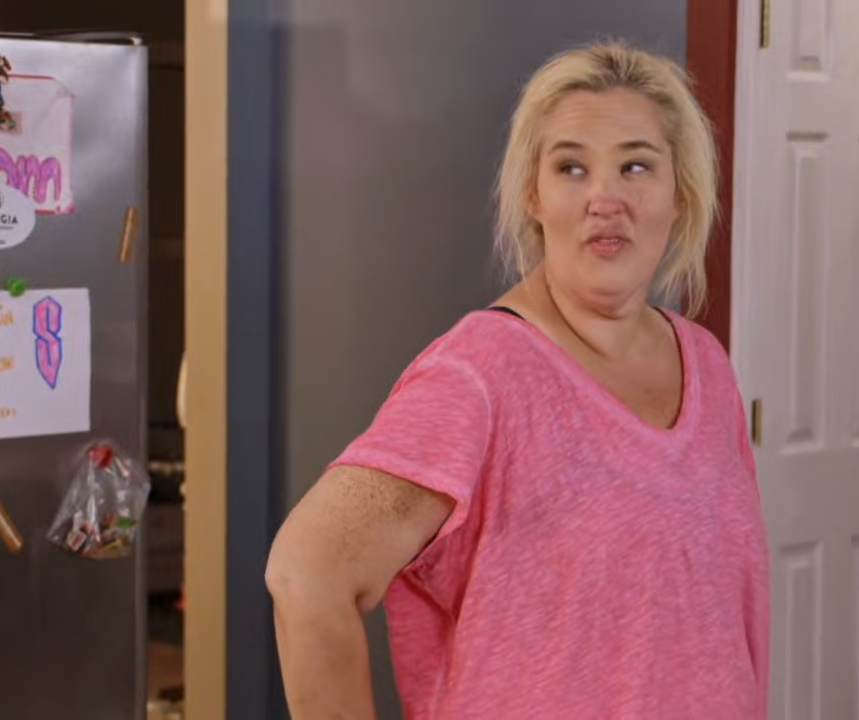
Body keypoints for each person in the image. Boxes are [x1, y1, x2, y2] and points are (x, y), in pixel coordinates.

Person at [266, 40, 769, 719]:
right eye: (571, 167)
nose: (604, 198)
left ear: (679, 192)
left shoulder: (705, 362)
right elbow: (307, 572)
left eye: (636, 166)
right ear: (534, 194)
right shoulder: (481, 372)